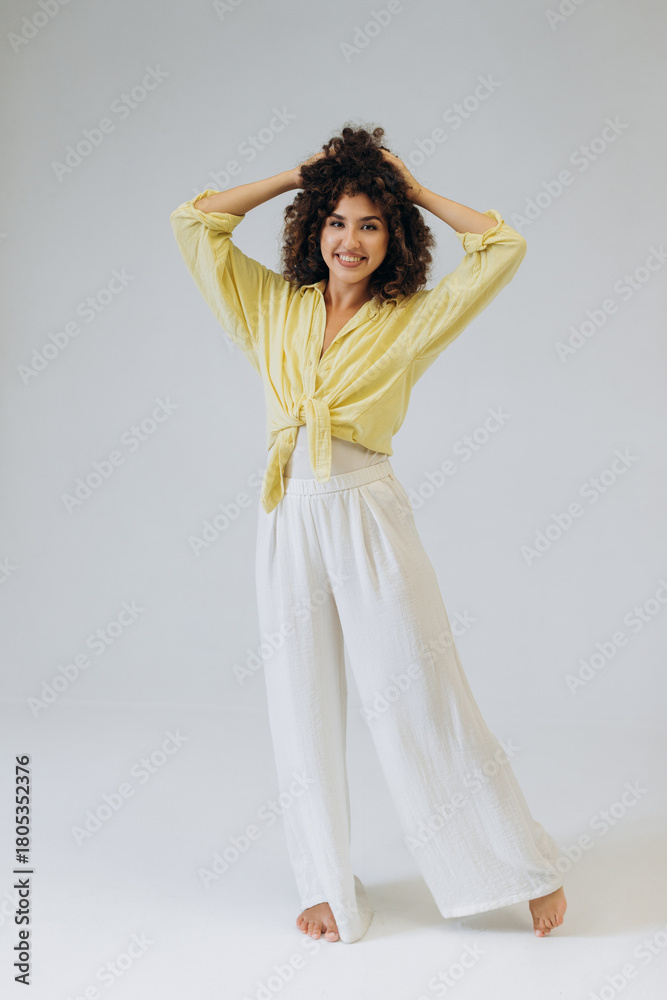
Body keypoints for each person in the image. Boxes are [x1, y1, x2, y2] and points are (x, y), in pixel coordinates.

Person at [170, 124, 568, 944]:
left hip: (366, 512)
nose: (348, 240)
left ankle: (522, 867)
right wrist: (299, 174)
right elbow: (195, 222)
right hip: (287, 515)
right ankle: (326, 887)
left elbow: (502, 247)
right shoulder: (271, 306)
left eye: (370, 224)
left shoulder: (410, 319)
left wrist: (410, 188)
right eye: (335, 220)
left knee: (419, 691)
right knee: (300, 704)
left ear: (394, 239)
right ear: (313, 226)